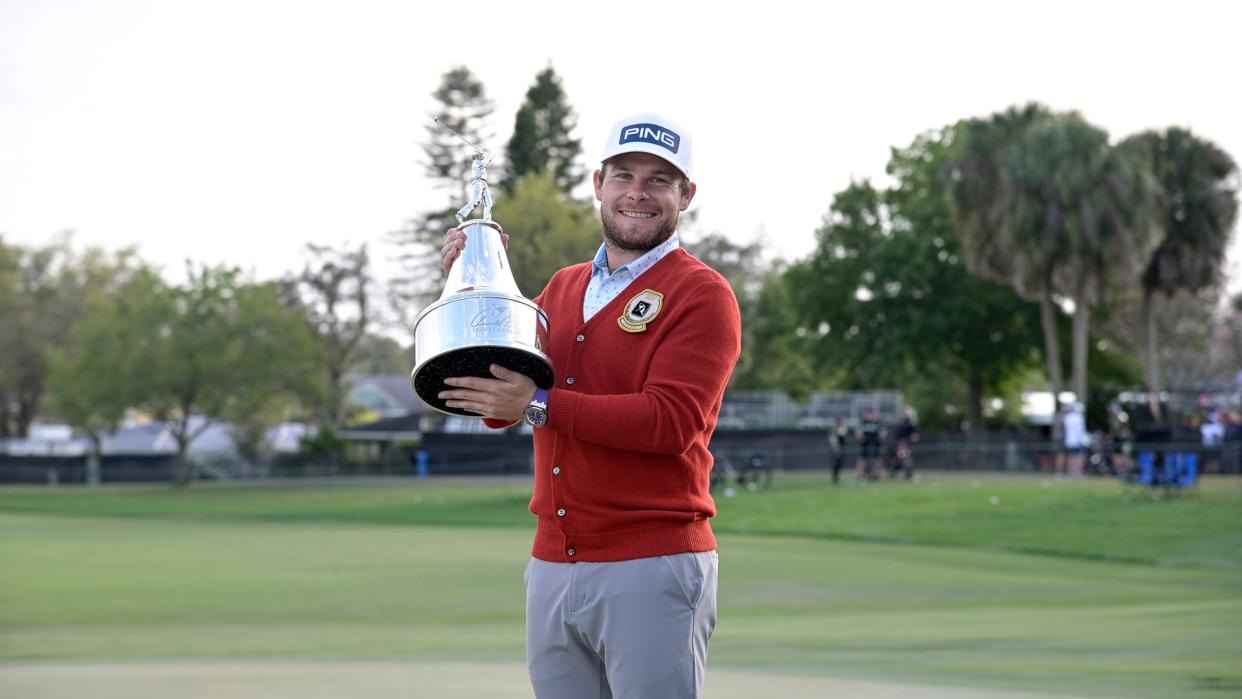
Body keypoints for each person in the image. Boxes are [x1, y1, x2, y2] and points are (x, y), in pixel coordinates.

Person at [436, 113, 741, 699]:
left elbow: (669, 423)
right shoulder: (563, 285)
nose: (638, 193)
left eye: (659, 181)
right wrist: (471, 283)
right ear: (599, 184)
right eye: (624, 175)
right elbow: (500, 408)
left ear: (686, 196)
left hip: (652, 563)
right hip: (552, 563)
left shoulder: (702, 293)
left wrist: (541, 404)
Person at [889, 408, 919, 479]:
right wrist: (899, 445)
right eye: (904, 414)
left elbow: (915, 437)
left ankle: (908, 475)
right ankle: (893, 474)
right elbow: (894, 437)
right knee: (896, 461)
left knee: (907, 461)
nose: (905, 416)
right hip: (897, 447)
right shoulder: (898, 426)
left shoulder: (911, 426)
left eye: (906, 414)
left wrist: (913, 438)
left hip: (906, 447)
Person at [855, 408, 883, 480]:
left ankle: (877, 475)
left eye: (871, 414)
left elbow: (883, 433)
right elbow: (858, 433)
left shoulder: (877, 423)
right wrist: (860, 436)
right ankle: (861, 474)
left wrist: (881, 436)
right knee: (862, 459)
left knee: (878, 459)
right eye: (868, 414)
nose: (869, 416)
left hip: (875, 443)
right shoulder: (862, 423)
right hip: (865, 444)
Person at [1063, 402, 1088, 478]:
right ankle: (1078, 472)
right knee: (1079, 456)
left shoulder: (1067, 417)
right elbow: (1080, 430)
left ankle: (1071, 471)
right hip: (1077, 440)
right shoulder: (1079, 417)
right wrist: (1083, 440)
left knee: (1071, 456)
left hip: (1069, 440)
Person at [828, 416, 849, 484]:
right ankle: (835, 478)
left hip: (842, 448)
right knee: (836, 464)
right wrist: (836, 449)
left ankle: (837, 478)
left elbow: (844, 436)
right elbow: (833, 440)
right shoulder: (834, 429)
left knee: (840, 464)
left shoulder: (842, 428)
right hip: (836, 449)